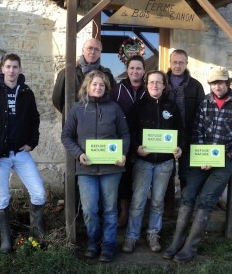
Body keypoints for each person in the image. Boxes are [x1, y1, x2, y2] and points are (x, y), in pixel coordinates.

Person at [162, 67, 232, 262]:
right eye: (214, 83)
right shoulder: (205, 101)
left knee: (206, 199)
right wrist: (202, 156)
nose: (217, 86)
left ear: (228, 83)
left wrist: (226, 155)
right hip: (202, 158)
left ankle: (190, 247)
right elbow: (196, 131)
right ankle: (176, 242)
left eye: (221, 82)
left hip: (225, 160)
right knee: (188, 194)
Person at [0, 53, 46, 254]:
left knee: (39, 193)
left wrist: (31, 143)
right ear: (2, 69)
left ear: (20, 69)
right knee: (2, 197)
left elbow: (35, 120)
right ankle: (6, 241)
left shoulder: (27, 93)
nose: (11, 70)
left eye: (15, 66)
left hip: (21, 154)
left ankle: (37, 235)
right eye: (8, 66)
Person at [61, 70, 130, 262]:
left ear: (106, 87)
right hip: (87, 169)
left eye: (101, 85)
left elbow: (125, 134)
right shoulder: (77, 109)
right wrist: (79, 154)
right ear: (87, 87)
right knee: (89, 209)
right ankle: (93, 241)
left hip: (111, 169)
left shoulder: (114, 109)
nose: (98, 88)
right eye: (94, 85)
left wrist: (123, 153)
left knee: (109, 208)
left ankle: (108, 245)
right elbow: (66, 136)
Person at [122, 70, 184, 254]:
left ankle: (153, 233)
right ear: (146, 85)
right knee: (138, 201)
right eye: (151, 82)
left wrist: (179, 147)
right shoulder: (138, 106)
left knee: (157, 201)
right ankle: (131, 236)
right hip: (143, 162)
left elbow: (180, 131)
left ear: (164, 85)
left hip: (165, 163)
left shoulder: (172, 107)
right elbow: (129, 132)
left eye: (158, 82)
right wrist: (135, 148)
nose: (155, 85)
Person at [164, 49, 205, 217]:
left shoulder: (195, 86)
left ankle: (185, 207)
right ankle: (168, 208)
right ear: (170, 62)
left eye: (181, 62)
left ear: (186, 63)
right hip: (165, 137)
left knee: (186, 174)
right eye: (175, 62)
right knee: (166, 173)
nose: (178, 65)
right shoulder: (161, 82)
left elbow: (202, 112)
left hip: (188, 136)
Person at [110, 55, 146, 227]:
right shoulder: (117, 89)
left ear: (143, 71)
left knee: (141, 176)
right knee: (124, 176)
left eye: (138, 68)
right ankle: (124, 210)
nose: (135, 71)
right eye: (132, 68)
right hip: (123, 138)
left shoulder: (149, 89)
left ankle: (138, 210)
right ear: (127, 70)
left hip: (144, 140)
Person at [52, 38, 116, 122]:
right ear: (83, 50)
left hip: (99, 123)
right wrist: (69, 112)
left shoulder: (106, 74)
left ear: (100, 53)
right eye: (90, 48)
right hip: (74, 122)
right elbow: (57, 99)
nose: (93, 52)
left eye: (97, 49)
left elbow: (111, 97)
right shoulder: (67, 73)